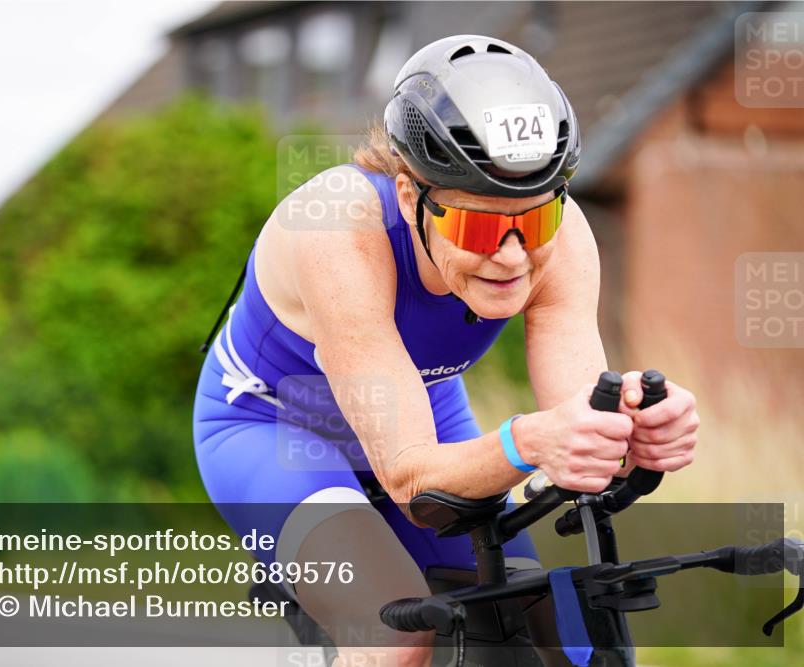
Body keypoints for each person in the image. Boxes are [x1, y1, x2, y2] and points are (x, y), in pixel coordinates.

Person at [192, 35, 699, 667]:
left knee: (541, 624)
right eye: (481, 226)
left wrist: (634, 435)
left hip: (423, 408)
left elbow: (579, 425)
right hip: (272, 428)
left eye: (534, 221)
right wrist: (526, 441)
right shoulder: (337, 228)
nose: (512, 255)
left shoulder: (563, 234)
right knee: (395, 632)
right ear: (411, 198)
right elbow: (410, 476)